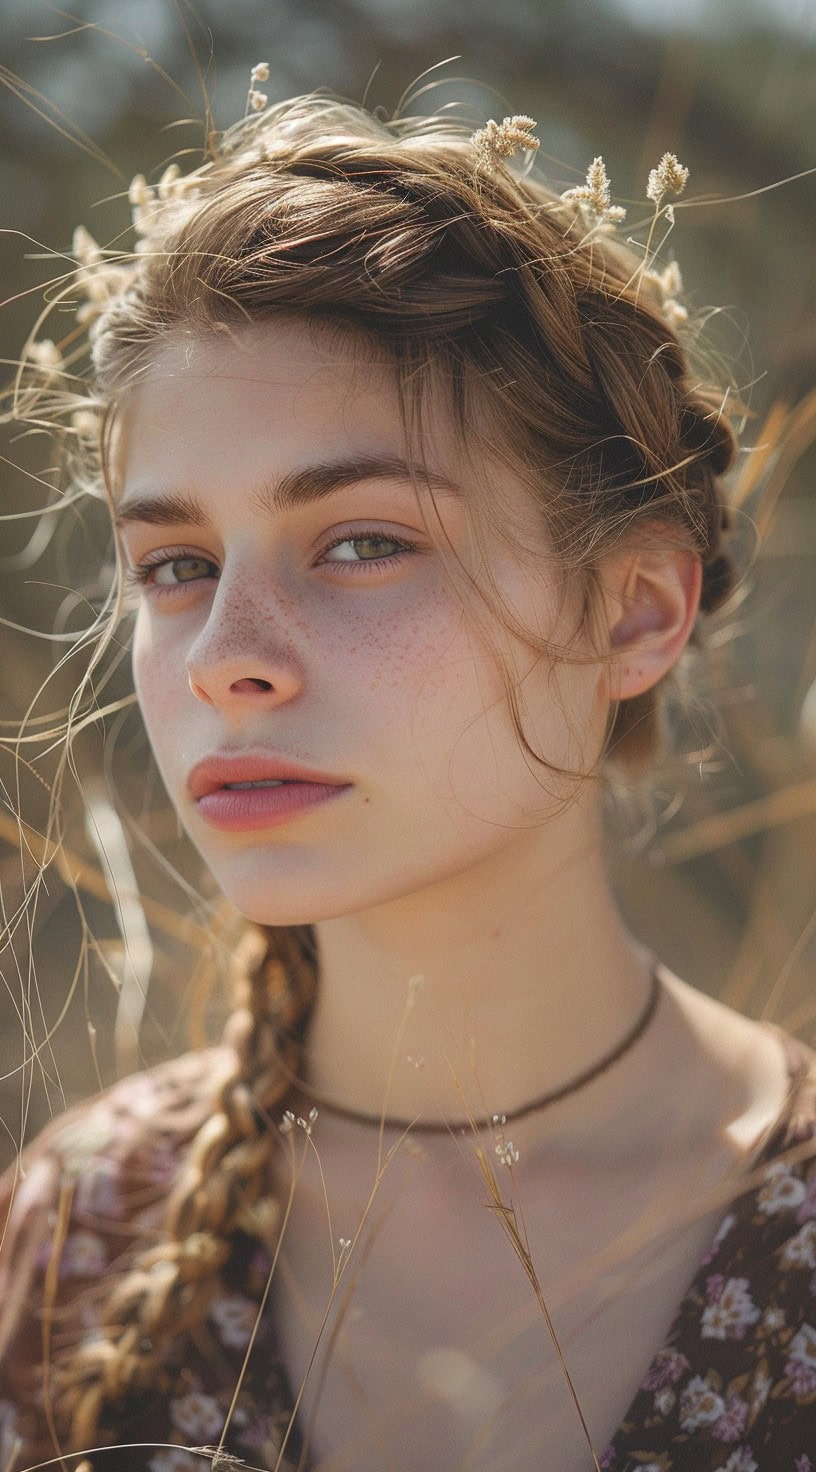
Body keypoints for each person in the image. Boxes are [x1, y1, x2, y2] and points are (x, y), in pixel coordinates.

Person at [0, 86, 814, 1472]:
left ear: (633, 612)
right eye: (178, 566)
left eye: (363, 541)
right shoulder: (84, 1227)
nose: (225, 663)